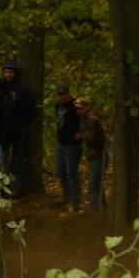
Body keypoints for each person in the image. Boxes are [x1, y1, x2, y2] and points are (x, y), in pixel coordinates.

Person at [0, 62, 35, 197]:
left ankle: (19, 187)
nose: (8, 75)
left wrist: (24, 125)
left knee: (18, 159)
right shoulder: (0, 87)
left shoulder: (22, 89)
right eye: (6, 72)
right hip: (2, 131)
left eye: (11, 72)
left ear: (15, 73)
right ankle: (3, 188)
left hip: (18, 130)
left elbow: (30, 109)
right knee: (2, 160)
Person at [54, 85, 82, 213]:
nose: (62, 97)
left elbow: (84, 118)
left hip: (72, 145)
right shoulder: (58, 106)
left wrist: (80, 133)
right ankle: (66, 196)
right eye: (59, 94)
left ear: (68, 94)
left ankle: (74, 201)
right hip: (61, 143)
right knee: (60, 171)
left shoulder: (75, 106)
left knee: (71, 173)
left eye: (64, 94)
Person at [75, 97, 106, 211]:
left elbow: (91, 138)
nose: (78, 111)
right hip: (93, 154)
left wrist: (81, 136)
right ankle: (100, 207)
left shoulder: (92, 119)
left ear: (86, 107)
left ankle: (95, 208)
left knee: (94, 182)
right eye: (76, 109)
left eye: (80, 108)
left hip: (99, 154)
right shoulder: (84, 118)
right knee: (96, 182)